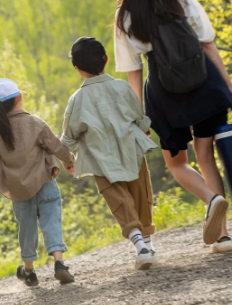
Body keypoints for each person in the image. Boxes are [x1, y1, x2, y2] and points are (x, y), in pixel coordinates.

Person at [110, 0, 232, 253]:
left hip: (165, 96)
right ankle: (222, 236)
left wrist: (138, 115)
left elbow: (133, 73)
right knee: (205, 155)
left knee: (178, 163)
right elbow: (207, 44)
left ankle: (212, 200)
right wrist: (228, 86)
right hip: (204, 84)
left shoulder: (125, 16)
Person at [61, 37, 159, 270]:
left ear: (77, 69)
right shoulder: (122, 86)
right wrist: (144, 130)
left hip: (99, 159)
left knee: (118, 200)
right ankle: (147, 244)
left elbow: (69, 135)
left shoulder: (77, 99)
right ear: (106, 60)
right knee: (141, 195)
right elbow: (138, 117)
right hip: (131, 150)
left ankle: (140, 246)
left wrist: (68, 157)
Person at [0, 78, 76, 286]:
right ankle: (59, 264)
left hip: (18, 192)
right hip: (45, 183)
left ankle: (29, 272)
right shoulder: (35, 123)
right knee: (51, 221)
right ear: (19, 97)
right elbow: (56, 146)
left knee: (26, 229)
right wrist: (69, 160)